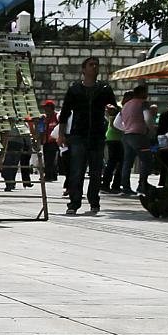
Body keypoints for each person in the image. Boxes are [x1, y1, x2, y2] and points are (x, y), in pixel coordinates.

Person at [56, 55, 118, 215]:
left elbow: (114, 108)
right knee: (77, 170)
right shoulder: (75, 89)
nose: (94, 67)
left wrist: (112, 110)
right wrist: (61, 135)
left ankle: (94, 201)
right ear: (84, 69)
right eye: (91, 65)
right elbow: (64, 113)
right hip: (78, 134)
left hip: (97, 134)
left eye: (96, 65)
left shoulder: (104, 89)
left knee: (97, 171)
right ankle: (74, 203)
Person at [115, 84, 149, 196]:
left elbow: (116, 123)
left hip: (127, 136)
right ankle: (142, 186)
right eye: (145, 92)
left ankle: (125, 187)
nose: (147, 95)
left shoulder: (125, 105)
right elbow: (147, 118)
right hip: (139, 135)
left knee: (127, 162)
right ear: (141, 93)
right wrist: (149, 128)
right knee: (146, 160)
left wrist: (127, 128)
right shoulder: (143, 103)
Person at [101, 91, 127, 193]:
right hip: (115, 137)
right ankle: (110, 184)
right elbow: (114, 122)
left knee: (114, 161)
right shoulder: (119, 108)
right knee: (116, 161)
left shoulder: (119, 107)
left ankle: (109, 183)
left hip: (113, 137)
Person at [38, 99, 61, 181]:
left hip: (53, 141)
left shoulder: (56, 116)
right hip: (46, 141)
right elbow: (41, 129)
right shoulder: (44, 118)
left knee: (50, 159)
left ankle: (48, 176)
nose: (45, 109)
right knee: (47, 158)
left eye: (47, 108)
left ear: (51, 108)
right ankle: (53, 175)